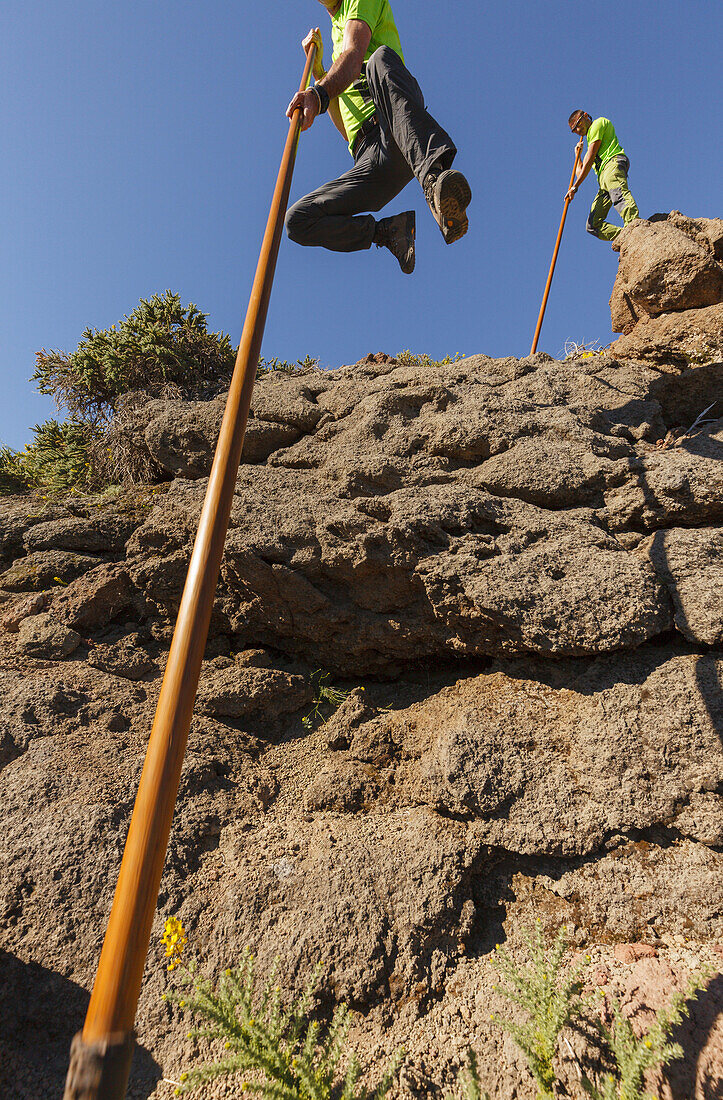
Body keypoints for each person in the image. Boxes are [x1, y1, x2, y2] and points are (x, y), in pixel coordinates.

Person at [285, 0, 471, 275]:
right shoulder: (336, 31)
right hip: (372, 159)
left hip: (398, 122)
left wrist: (317, 93)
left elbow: (354, 51)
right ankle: (388, 232)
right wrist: (319, 73)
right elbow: (344, 125)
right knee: (297, 220)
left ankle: (434, 182)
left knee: (378, 58)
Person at [566, 110, 639, 242]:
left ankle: (635, 226)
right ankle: (625, 237)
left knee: (619, 195)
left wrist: (575, 187)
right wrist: (578, 157)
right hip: (603, 179)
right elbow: (581, 171)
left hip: (612, 163)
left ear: (586, 116)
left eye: (578, 124)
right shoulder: (589, 144)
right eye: (574, 130)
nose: (577, 130)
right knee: (592, 225)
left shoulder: (598, 124)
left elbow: (590, 158)